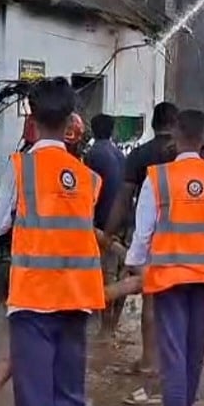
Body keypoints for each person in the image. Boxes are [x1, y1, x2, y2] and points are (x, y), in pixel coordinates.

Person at [0, 77, 107, 406]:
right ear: (71, 122)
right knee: (70, 400)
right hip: (78, 301)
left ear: (31, 120)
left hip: (33, 303)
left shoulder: (21, 168)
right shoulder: (88, 178)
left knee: (35, 405)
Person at [125, 109, 204, 406]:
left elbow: (143, 234)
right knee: (193, 359)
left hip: (170, 281)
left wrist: (136, 264)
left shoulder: (157, 178)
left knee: (173, 359)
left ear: (174, 136)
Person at [104, 102, 179, 402]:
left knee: (150, 294)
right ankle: (168, 367)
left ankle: (149, 359)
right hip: (183, 240)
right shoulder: (182, 154)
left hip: (148, 233)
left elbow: (124, 198)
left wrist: (109, 233)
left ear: (153, 125)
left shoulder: (140, 155)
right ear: (175, 124)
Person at [85, 114, 128, 337]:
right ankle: (112, 326)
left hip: (102, 223)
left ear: (92, 130)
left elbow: (89, 192)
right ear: (111, 131)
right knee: (122, 274)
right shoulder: (120, 155)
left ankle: (104, 330)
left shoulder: (93, 155)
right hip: (123, 222)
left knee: (105, 276)